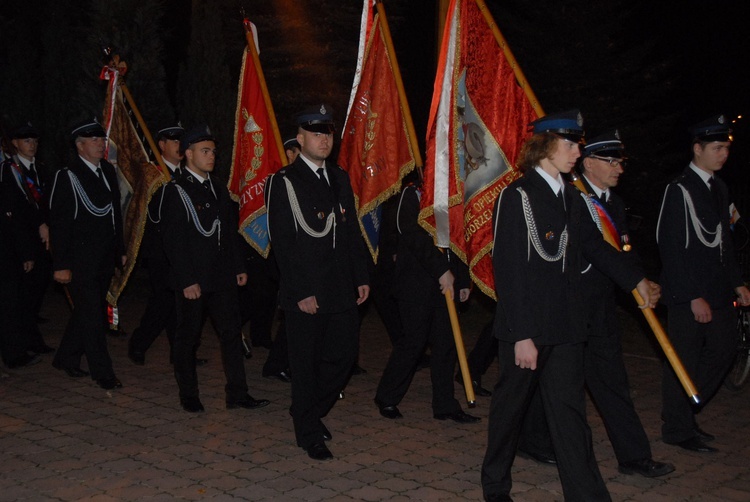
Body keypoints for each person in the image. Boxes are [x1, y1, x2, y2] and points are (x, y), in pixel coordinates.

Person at [481, 110, 661, 502]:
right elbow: (508, 272)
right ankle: (495, 486)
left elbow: (595, 247)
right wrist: (522, 335)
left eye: (577, 143)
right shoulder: (517, 197)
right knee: (510, 411)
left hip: (566, 325)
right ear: (544, 147)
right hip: (526, 328)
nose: (578, 151)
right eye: (570, 144)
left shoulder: (572, 198)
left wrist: (634, 279)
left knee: (570, 414)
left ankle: (587, 494)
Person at [514, 130, 675, 477]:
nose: (619, 168)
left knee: (611, 383)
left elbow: (621, 251)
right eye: (612, 161)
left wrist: (641, 281)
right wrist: (634, 280)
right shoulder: (572, 198)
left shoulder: (613, 204)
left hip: (600, 311)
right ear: (589, 163)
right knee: (543, 385)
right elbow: (592, 249)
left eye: (621, 162)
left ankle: (634, 457)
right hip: (567, 309)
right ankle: (529, 442)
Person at [265, 105, 369, 460]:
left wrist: (361, 276)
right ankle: (308, 432)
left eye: (327, 133)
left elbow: (350, 230)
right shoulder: (285, 181)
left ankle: (307, 411)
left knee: (343, 357)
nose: (324, 139)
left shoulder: (339, 177)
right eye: (316, 133)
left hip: (340, 285)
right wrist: (299, 291)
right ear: (301, 138)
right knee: (305, 364)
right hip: (307, 289)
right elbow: (284, 242)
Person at [657, 114, 750, 452]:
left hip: (719, 291)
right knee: (684, 358)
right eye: (716, 147)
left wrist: (737, 283)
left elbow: (724, 241)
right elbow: (670, 246)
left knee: (724, 351)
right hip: (689, 293)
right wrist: (691, 295)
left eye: (726, 148)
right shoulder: (680, 188)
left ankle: (687, 409)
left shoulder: (719, 187)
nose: (723, 154)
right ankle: (678, 427)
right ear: (697, 149)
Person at [161, 124, 270, 413]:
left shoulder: (217, 188)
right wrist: (187, 280)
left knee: (232, 334)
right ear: (188, 154)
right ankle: (189, 394)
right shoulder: (175, 191)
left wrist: (237, 266)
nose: (211, 156)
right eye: (205, 151)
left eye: (213, 151)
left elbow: (228, 232)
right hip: (193, 279)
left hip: (221, 276)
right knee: (188, 337)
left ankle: (237, 393)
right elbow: (174, 242)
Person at [374, 176, 480, 425]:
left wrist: (463, 279)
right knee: (413, 342)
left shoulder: (453, 193)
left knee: (446, 343)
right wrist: (440, 269)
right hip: (416, 283)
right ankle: (387, 396)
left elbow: (458, 238)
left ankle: (445, 404)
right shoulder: (413, 194)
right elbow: (410, 233)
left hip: (447, 281)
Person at [49, 119, 126, 390]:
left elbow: (115, 214)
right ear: (79, 146)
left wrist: (121, 250)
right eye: (93, 141)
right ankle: (102, 372)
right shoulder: (67, 175)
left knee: (85, 311)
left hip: (104, 258)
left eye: (101, 140)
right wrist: (61, 264)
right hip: (80, 261)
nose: (100, 144)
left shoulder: (106, 169)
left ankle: (66, 357)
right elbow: (60, 224)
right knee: (94, 316)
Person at [128, 123, 197, 365]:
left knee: (181, 306)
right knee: (163, 302)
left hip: (185, 250)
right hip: (160, 251)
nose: (179, 145)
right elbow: (151, 214)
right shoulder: (154, 174)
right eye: (174, 141)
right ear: (161, 145)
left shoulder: (189, 174)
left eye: (182, 140)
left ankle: (182, 353)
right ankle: (138, 344)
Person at [0, 122, 54, 356]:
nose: (31, 145)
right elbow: (14, 213)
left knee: (37, 290)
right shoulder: (9, 171)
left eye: (34, 141)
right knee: (20, 296)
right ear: (15, 143)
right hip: (20, 243)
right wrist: (25, 251)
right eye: (26, 141)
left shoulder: (40, 170)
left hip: (43, 241)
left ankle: (32, 338)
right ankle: (23, 341)